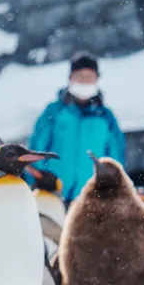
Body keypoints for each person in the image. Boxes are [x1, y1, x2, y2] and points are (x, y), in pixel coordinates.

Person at [24, 51, 126, 202]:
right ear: (71, 78)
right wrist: (38, 178)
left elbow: (115, 157)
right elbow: (36, 148)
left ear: (97, 79)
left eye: (89, 76)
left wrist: (111, 185)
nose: (84, 81)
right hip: (52, 192)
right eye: (80, 76)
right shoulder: (54, 112)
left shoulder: (105, 117)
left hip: (90, 196)